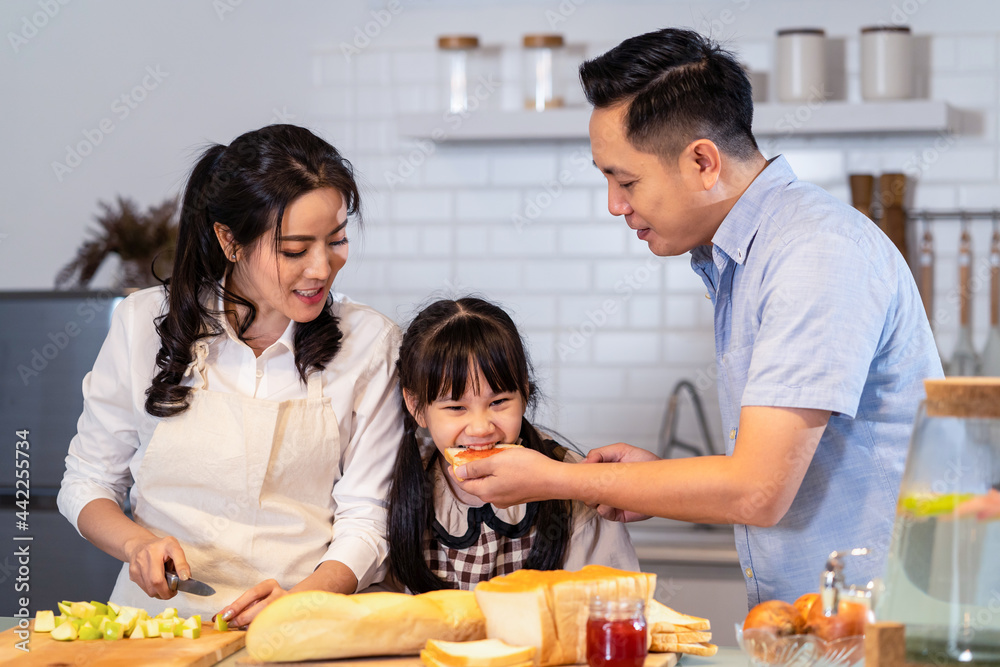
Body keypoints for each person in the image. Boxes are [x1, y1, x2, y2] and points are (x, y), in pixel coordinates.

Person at [453, 29, 943, 607]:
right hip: (824, 626)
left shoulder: (815, 252)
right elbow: (767, 468)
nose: (615, 203)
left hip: (885, 630)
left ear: (703, 162)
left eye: (626, 179)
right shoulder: (749, 257)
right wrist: (655, 482)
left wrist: (556, 479)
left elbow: (758, 491)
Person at [58, 124, 403, 626]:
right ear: (229, 240)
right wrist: (138, 543)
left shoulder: (370, 343)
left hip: (303, 631)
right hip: (159, 630)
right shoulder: (141, 324)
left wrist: (302, 602)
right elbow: (86, 481)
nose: (322, 268)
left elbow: (369, 515)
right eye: (294, 249)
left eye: (337, 240)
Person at [385, 297, 639, 593]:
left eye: (499, 402)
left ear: (524, 393)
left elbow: (612, 601)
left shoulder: (576, 482)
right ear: (416, 406)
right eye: (456, 407)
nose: (481, 428)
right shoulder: (394, 480)